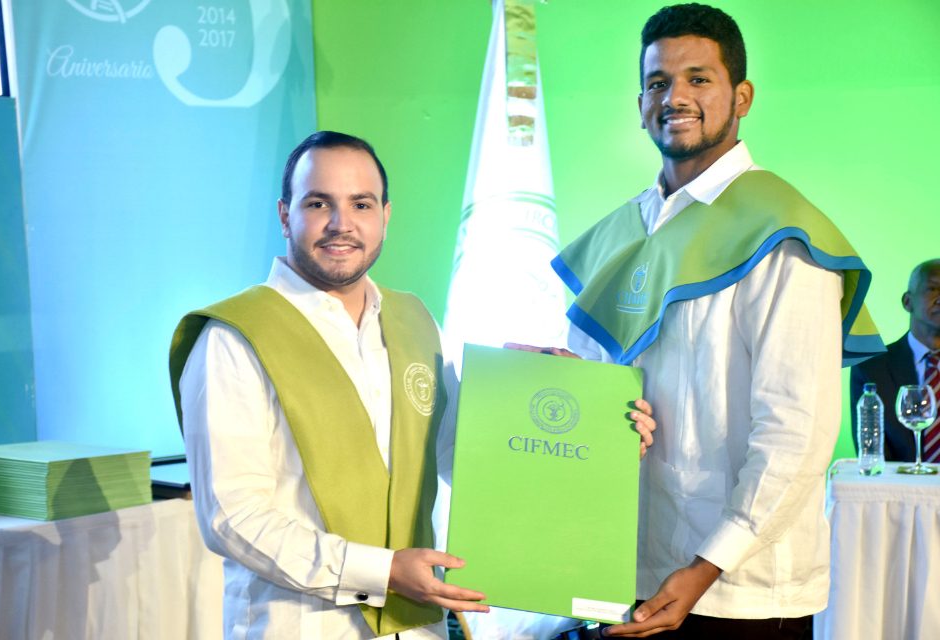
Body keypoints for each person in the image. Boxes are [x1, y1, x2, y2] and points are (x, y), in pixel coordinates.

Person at [548, 4, 883, 638]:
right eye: (657, 82)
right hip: (621, 571)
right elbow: (596, 399)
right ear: (640, 103)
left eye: (698, 79)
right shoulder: (622, 233)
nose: (675, 97)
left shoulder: (784, 235)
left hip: (740, 593)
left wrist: (707, 566)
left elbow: (796, 431)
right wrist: (554, 388)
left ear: (742, 97)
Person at [168, 131, 490, 639]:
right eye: (318, 203)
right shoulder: (234, 338)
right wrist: (381, 572)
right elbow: (233, 517)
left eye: (361, 204)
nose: (341, 223)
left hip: (417, 628)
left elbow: (458, 456)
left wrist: (536, 396)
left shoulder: (415, 320)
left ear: (385, 216)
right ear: (284, 215)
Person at [850, 259, 940, 463]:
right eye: (933, 288)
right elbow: (872, 454)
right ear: (907, 302)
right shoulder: (871, 367)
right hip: (897, 482)